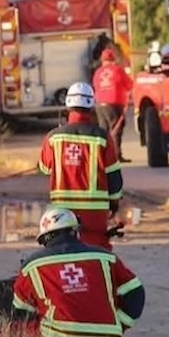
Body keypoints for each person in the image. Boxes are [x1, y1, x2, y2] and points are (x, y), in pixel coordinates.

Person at [11, 207, 145, 337]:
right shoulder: (106, 258)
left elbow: (20, 313)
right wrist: (119, 324)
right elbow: (135, 292)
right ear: (75, 232)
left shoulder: (32, 266)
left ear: (44, 239)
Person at [39, 82, 123, 251]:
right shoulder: (102, 137)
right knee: (96, 251)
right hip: (95, 212)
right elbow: (113, 176)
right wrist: (114, 203)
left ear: (68, 104)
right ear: (91, 104)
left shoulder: (53, 137)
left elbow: (44, 169)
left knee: (63, 252)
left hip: (62, 212)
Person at [93, 48, 133, 163]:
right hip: (113, 103)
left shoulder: (98, 72)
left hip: (99, 104)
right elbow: (129, 84)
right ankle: (116, 156)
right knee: (116, 129)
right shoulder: (117, 70)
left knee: (103, 130)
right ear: (113, 59)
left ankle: (102, 156)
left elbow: (95, 86)